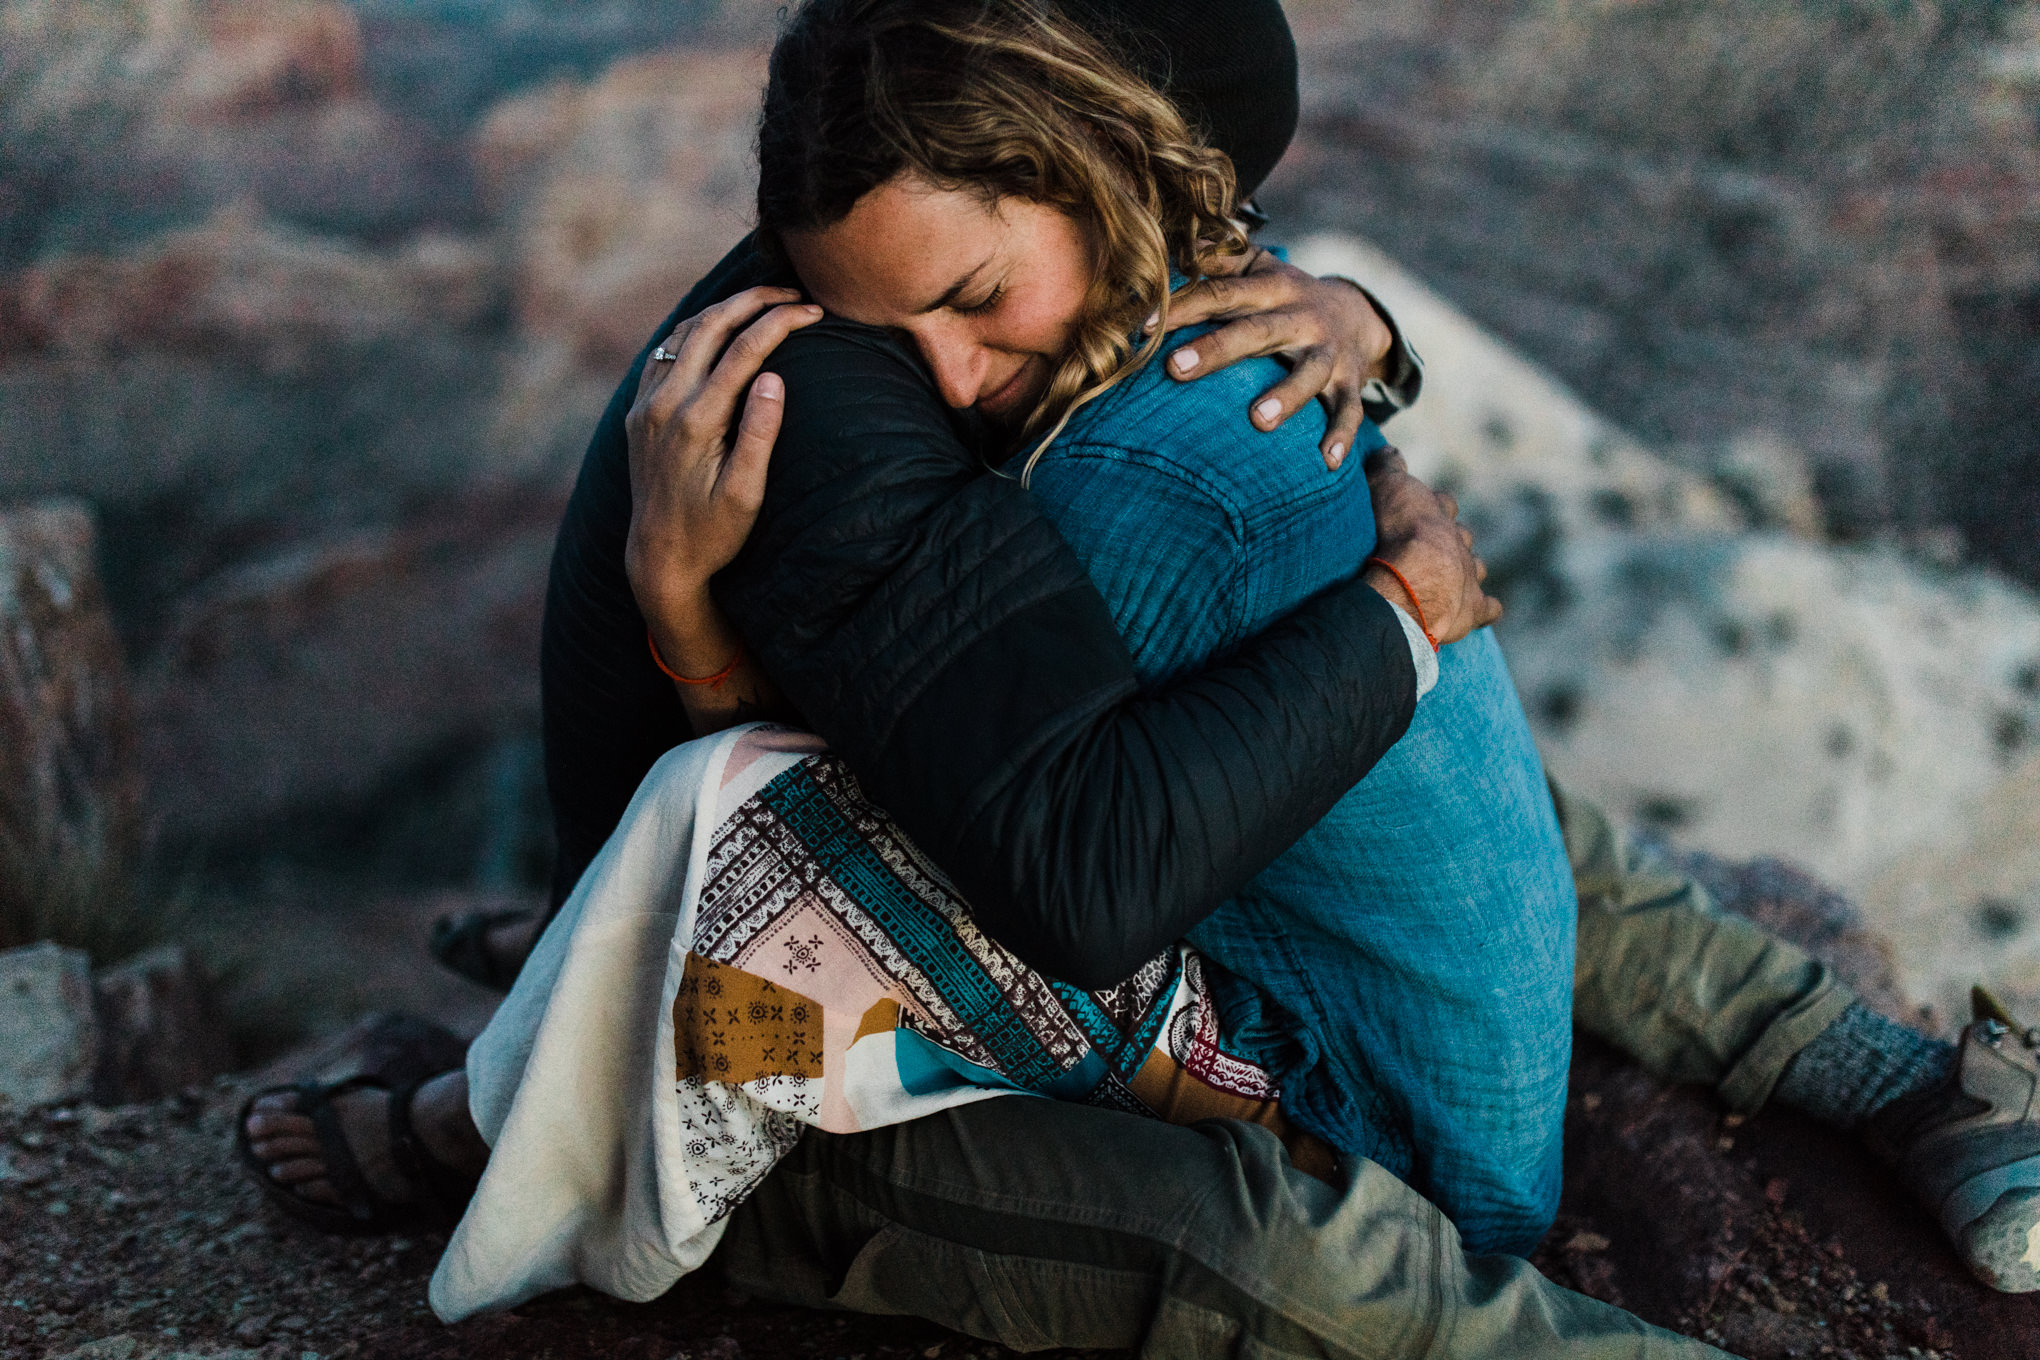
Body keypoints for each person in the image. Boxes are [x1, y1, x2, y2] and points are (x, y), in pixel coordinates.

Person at [241, 0, 2040, 1350]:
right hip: (1153, 911)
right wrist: (690, 609)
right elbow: (927, 797)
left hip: (1221, 986)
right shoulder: (1100, 329)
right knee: (1387, 771)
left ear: (1085, 169)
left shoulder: (1157, 395)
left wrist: (1381, 368)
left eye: (971, 295)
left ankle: (526, 1101)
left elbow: (947, 847)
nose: (944, 380)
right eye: (893, 331)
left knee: (1374, 852)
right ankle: (531, 1085)